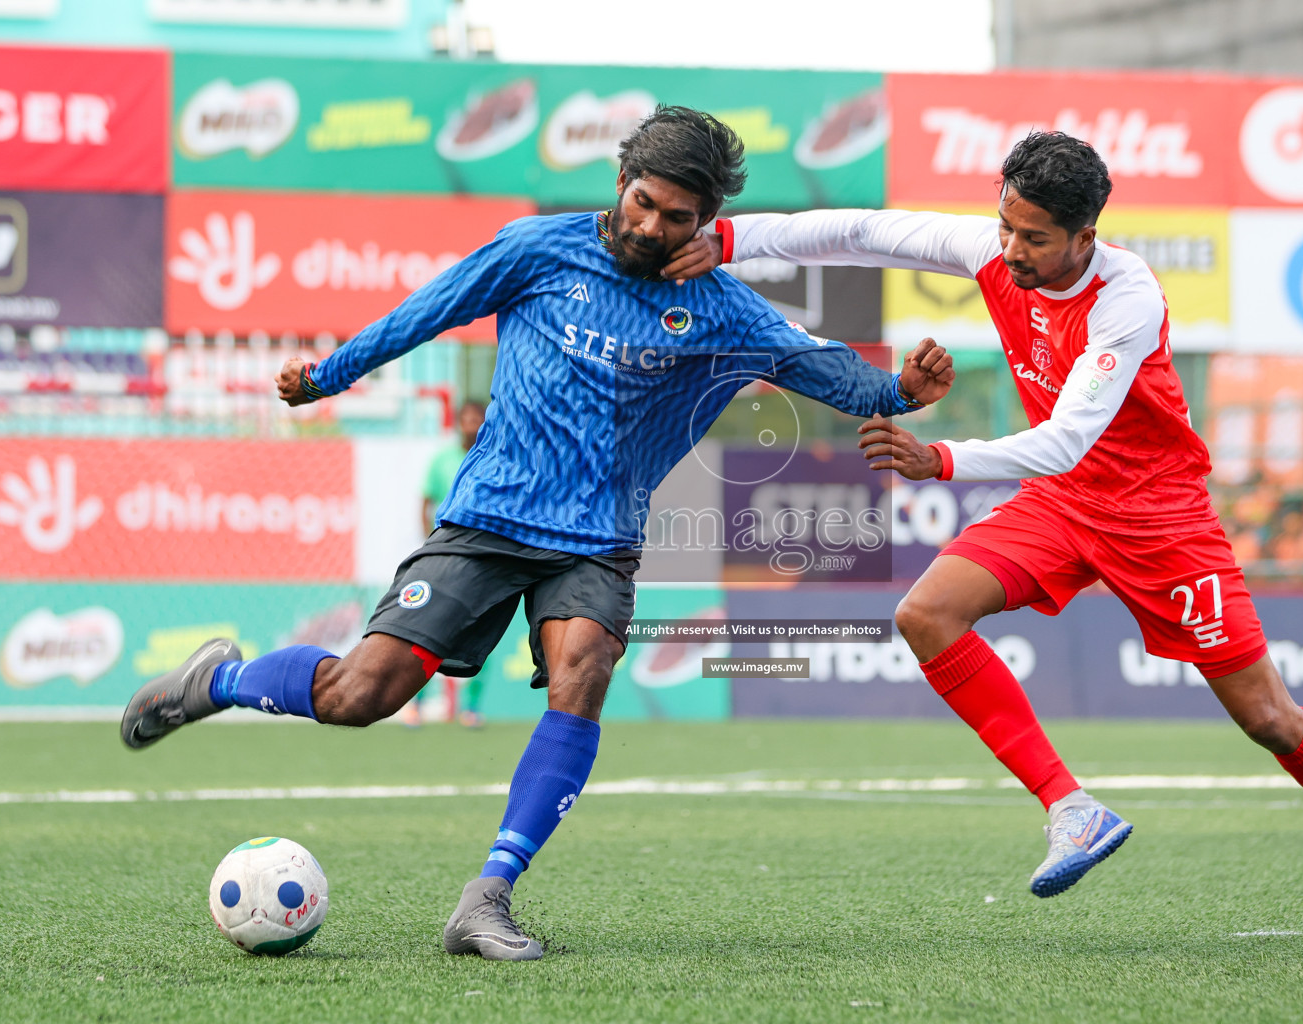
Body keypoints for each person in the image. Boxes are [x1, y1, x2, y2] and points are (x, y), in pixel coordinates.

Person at [119, 106, 956, 960]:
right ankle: (219, 681)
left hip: (598, 542)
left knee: (583, 669)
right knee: (359, 697)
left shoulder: (721, 308)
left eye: (677, 217)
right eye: (642, 202)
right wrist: (328, 376)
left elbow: (829, 373)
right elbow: (428, 311)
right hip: (487, 523)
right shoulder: (536, 249)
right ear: (620, 180)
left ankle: (488, 896)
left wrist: (902, 390)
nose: (652, 226)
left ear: (707, 224)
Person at [663, 130, 1303, 941]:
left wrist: (942, 458)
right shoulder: (993, 251)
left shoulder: (1127, 300)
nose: (1011, 249)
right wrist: (730, 239)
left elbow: (1069, 435)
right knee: (925, 615)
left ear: (1086, 236)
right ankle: (1072, 810)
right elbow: (861, 231)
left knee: (1270, 719)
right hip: (1065, 503)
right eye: (1006, 226)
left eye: (1034, 238)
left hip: (1158, 517)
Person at [406, 399, 490, 728]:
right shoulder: (442, 460)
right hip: (445, 553)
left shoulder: (493, 457)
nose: (471, 425)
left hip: (484, 556)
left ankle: (472, 708)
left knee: (484, 630)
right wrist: (430, 542)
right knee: (427, 626)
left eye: (477, 419)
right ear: (457, 422)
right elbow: (425, 502)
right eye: (466, 418)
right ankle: (416, 703)